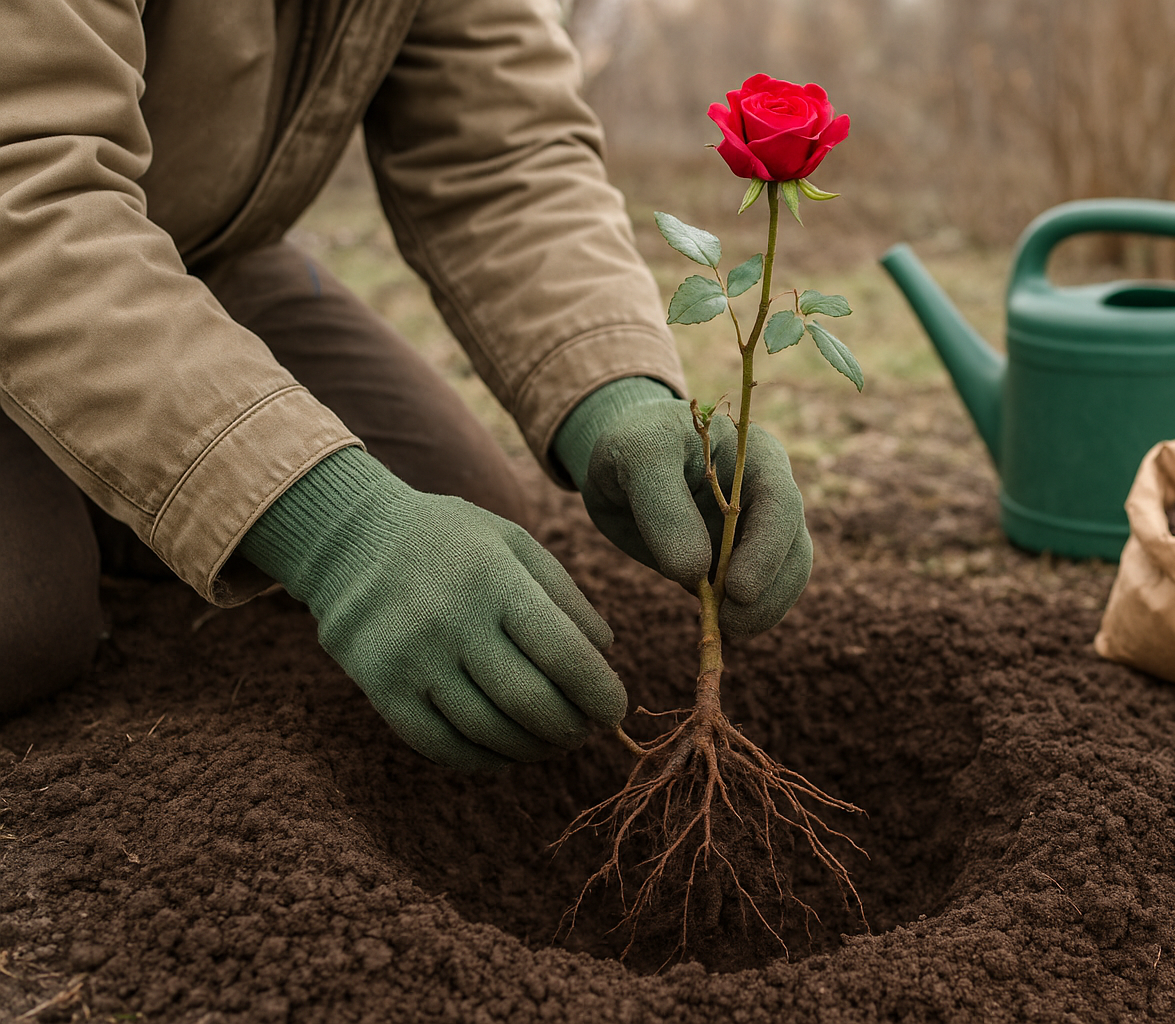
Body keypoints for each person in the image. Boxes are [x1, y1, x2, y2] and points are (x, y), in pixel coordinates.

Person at [0, 0, 813, 771]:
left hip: (193, 250)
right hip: (36, 231)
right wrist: (337, 527)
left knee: (456, 509)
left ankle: (112, 466)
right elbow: (25, 189)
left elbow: (504, 158)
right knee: (25, 617)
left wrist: (625, 397)